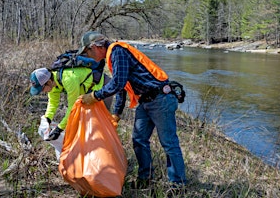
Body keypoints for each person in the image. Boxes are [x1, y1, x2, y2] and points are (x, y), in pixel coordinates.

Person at [78, 31, 187, 187]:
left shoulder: (117, 51)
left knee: (169, 143)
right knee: (139, 140)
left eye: (87, 51)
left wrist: (95, 96)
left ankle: (178, 185)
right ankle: (145, 179)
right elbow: (122, 87)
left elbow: (117, 84)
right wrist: (116, 113)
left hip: (160, 99)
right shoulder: (113, 55)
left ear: (95, 47)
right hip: (145, 101)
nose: (88, 55)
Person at [30, 62, 112, 142]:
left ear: (48, 82)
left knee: (100, 124)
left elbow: (72, 107)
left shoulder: (68, 79)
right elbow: (53, 103)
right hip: (88, 95)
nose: (43, 92)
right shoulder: (53, 86)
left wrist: (59, 128)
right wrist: (47, 118)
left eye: (42, 89)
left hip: (102, 86)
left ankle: (109, 148)